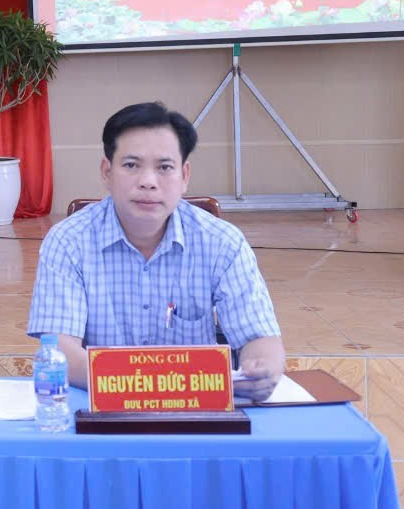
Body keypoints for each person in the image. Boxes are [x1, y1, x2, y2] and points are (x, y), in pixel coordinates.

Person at [27, 102, 284, 401]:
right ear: (107, 172)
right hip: (100, 408)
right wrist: (151, 385)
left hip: (195, 411)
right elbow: (59, 350)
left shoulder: (223, 243)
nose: (148, 182)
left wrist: (262, 370)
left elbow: (260, 338)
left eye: (164, 167)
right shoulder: (67, 242)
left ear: (184, 176)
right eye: (131, 165)